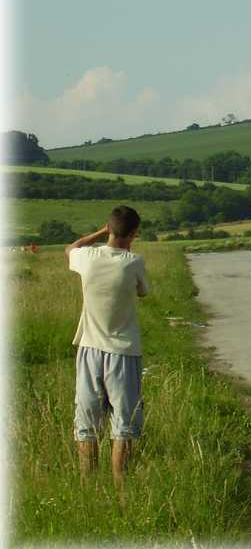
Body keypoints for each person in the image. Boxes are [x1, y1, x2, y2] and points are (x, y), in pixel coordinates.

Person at [65, 206, 149, 486]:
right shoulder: (133, 262)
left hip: (89, 348)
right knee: (123, 424)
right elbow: (143, 292)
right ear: (134, 233)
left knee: (87, 423)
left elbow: (71, 248)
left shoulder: (86, 258)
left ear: (109, 228)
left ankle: (87, 487)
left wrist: (101, 232)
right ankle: (121, 488)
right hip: (124, 351)